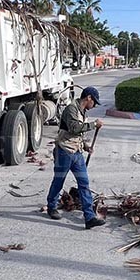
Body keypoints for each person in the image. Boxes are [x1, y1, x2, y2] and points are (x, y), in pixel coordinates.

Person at [46, 86, 106, 229]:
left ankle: (89, 217)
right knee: (58, 181)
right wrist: (93, 125)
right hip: (64, 151)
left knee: (84, 183)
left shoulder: (82, 112)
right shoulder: (71, 109)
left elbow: (78, 134)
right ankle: (51, 206)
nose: (95, 105)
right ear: (88, 98)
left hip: (77, 153)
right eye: (94, 102)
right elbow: (74, 128)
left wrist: (86, 146)